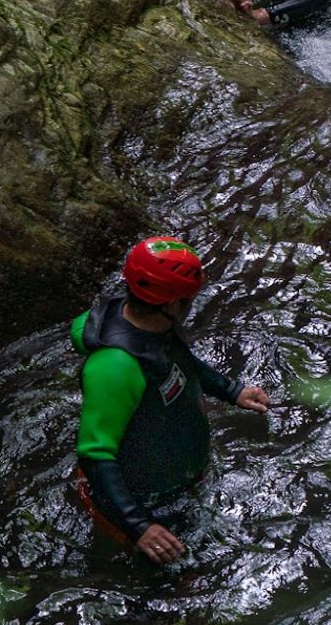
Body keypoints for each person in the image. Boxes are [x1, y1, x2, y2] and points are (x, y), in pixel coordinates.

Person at [71, 236, 270, 562]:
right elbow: (95, 454)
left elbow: (181, 364)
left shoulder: (155, 327)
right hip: (140, 499)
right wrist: (139, 525)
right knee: (179, 582)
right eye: (189, 299)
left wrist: (232, 391)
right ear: (170, 304)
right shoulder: (115, 367)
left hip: (176, 473)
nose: (191, 305)